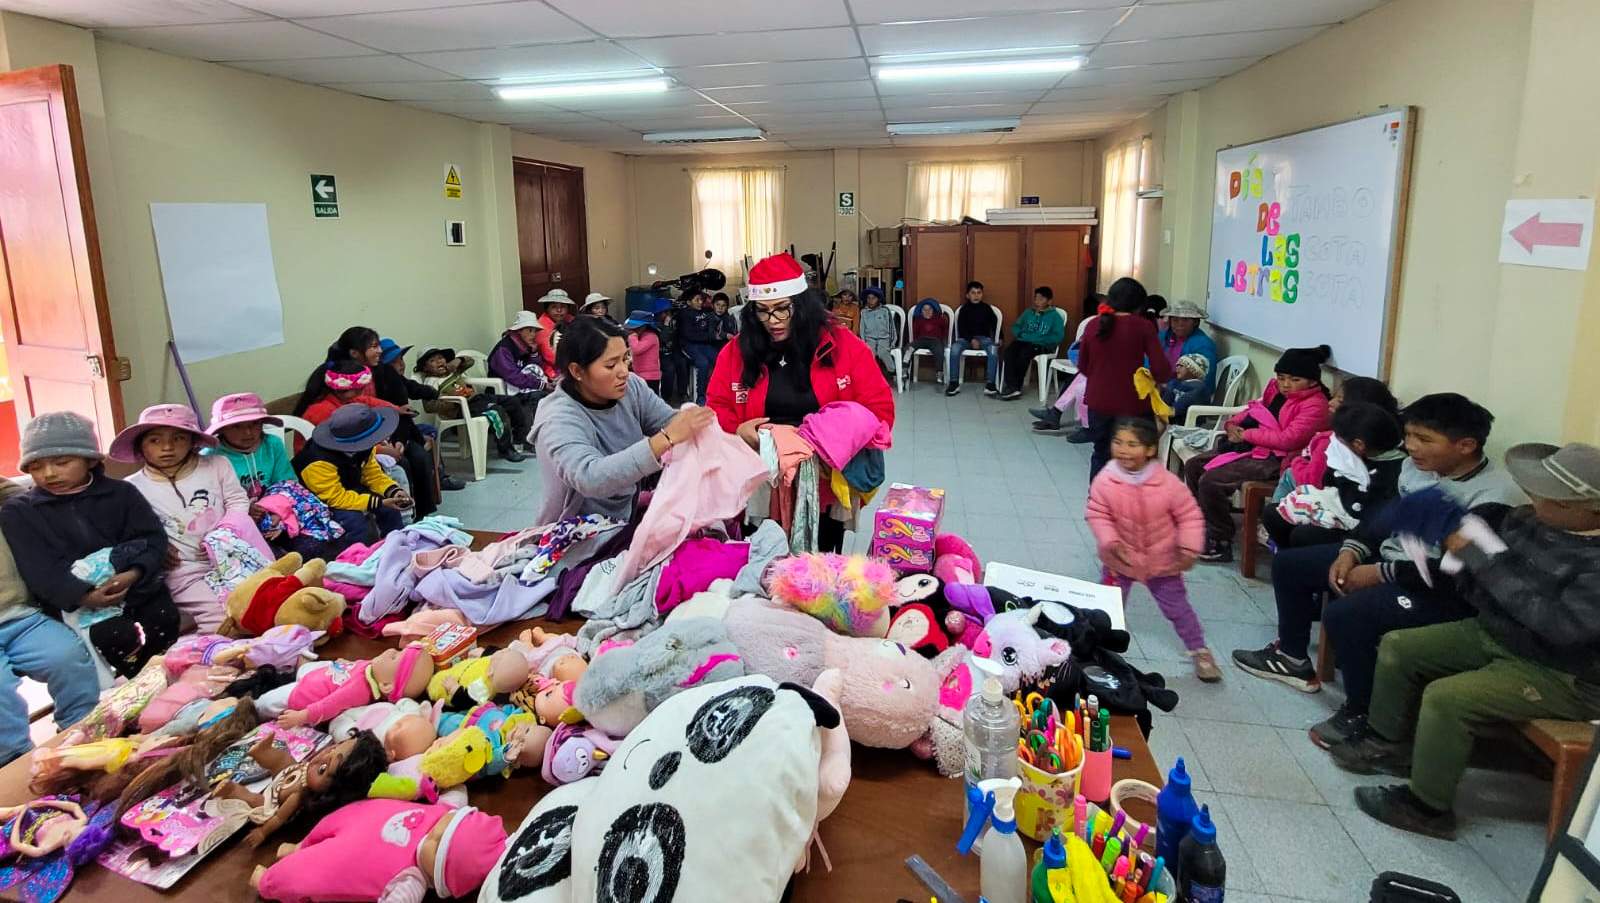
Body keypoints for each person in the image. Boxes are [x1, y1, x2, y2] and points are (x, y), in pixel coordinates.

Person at [1325, 441, 1600, 840]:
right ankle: (1388, 745)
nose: (1534, 499)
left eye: (1549, 499)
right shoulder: (1528, 520)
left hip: (1562, 672)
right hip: (1497, 633)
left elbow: (1560, 627)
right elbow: (1477, 584)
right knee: (1400, 645)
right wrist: (1455, 548)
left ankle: (1426, 808)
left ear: (1586, 511)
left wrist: (1478, 558)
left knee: (1447, 697)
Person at [1232, 393, 1527, 745]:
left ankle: (1363, 712)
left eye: (1424, 439)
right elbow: (1382, 519)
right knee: (1291, 565)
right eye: (1410, 435)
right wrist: (1351, 552)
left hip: (1441, 589)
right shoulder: (1417, 470)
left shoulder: (1494, 497)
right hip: (1395, 562)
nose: (1411, 447)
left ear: (1466, 445)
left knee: (1347, 615)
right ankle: (1293, 658)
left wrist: (1379, 573)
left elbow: (1458, 571)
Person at [706, 253, 894, 553]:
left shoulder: (843, 345)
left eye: (783, 309)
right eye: (762, 312)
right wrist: (737, 431)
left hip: (825, 480)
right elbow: (716, 406)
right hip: (762, 479)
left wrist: (832, 441)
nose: (773, 321)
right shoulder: (736, 352)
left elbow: (879, 409)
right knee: (764, 562)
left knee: (818, 562)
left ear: (802, 306)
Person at [1, 412, 180, 679]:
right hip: (76, 603)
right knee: (115, 637)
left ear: (90, 460)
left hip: (137, 586)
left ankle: (165, 679)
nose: (49, 474)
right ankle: (138, 688)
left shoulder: (122, 494)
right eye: (36, 467)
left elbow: (152, 538)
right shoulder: (20, 513)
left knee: (164, 619)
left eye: (62, 462)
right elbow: (38, 569)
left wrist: (134, 574)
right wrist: (85, 595)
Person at [531, 316, 716, 524]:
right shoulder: (558, 418)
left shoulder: (631, 388)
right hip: (577, 529)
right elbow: (590, 477)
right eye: (611, 365)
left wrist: (709, 429)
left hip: (625, 513)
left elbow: (668, 421)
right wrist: (664, 439)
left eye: (625, 358)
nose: (623, 372)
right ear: (577, 371)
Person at [1085, 419, 1220, 681]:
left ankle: (1199, 650)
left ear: (1149, 450)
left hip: (1163, 561)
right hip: (1119, 560)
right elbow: (1097, 513)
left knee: (1178, 608)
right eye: (1118, 442)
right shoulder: (1106, 479)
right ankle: (1095, 650)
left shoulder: (1167, 483)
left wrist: (1189, 547)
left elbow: (1190, 515)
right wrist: (1111, 542)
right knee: (1107, 608)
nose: (1123, 450)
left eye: (1132, 444)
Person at [116, 404, 268, 632]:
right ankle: (216, 657)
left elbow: (237, 500)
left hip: (235, 555)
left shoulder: (217, 465)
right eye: (155, 440)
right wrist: (155, 546)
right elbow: (129, 531)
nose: (167, 447)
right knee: (222, 618)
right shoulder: (131, 488)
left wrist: (224, 533)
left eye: (178, 438)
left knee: (265, 601)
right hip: (184, 568)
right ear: (140, 446)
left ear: (192, 441)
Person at [1186, 344, 1332, 562]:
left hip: (1280, 458)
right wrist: (1233, 425)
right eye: (1282, 377)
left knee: (1212, 480)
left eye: (1294, 379)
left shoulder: (1315, 405)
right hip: (1255, 446)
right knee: (1194, 465)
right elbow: (1255, 410)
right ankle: (1207, 522)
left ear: (1312, 380)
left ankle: (1220, 540)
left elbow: (1289, 440)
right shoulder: (1275, 390)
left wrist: (1246, 435)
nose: (1286, 385)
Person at [0, 472, 98, 767]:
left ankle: (80, 733)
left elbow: (23, 497)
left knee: (67, 656)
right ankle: (15, 760)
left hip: (19, 614)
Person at [206, 392, 350, 560]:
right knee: (266, 560)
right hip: (238, 525)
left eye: (254, 424)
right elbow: (210, 504)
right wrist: (243, 512)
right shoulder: (211, 457)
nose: (247, 433)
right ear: (222, 429)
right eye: (236, 426)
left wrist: (278, 512)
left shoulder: (272, 444)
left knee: (320, 546)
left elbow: (287, 485)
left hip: (279, 514)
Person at [1260, 401, 1405, 550]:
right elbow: (1327, 483)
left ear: (1359, 445)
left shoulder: (1395, 471)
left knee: (1304, 534)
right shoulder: (1352, 456)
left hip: (1360, 531)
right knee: (1272, 513)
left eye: (1340, 440)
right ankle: (1288, 558)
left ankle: (1300, 562)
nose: (1336, 443)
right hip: (1333, 510)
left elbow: (1372, 516)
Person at [1076, 278, 1172, 478]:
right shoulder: (1143, 326)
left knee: (1101, 454)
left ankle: (1098, 502)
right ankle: (1128, 504)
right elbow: (1161, 369)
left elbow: (1083, 366)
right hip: (1132, 406)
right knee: (1134, 460)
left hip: (1097, 403)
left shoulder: (1093, 324)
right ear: (1139, 304)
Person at [292, 404, 413, 544]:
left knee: (390, 511)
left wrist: (393, 491)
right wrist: (378, 502)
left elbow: (372, 475)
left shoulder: (365, 448)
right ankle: (359, 558)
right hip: (318, 501)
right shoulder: (317, 462)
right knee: (355, 523)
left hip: (348, 487)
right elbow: (335, 498)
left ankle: (396, 545)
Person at [371, 338, 464, 496]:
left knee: (430, 431)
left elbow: (415, 389)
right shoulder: (381, 385)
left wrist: (434, 392)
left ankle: (438, 477)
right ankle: (429, 485)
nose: (401, 364)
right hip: (390, 435)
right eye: (395, 361)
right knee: (419, 448)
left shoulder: (398, 380)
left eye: (401, 359)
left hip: (404, 429)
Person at [413, 348, 527, 463]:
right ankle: (505, 449)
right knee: (496, 411)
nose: (439, 362)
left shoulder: (452, 371)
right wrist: (456, 401)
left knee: (513, 401)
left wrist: (458, 360)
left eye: (440, 358)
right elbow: (429, 407)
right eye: (432, 361)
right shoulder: (431, 382)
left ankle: (519, 438)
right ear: (425, 368)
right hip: (461, 409)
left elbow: (470, 361)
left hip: (476, 399)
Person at [488, 310, 553, 452]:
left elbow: (534, 368)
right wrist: (541, 385)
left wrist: (535, 353)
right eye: (530, 330)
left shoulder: (523, 346)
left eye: (535, 331)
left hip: (521, 387)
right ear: (518, 331)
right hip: (504, 390)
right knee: (537, 397)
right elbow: (513, 376)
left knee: (548, 396)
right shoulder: (504, 348)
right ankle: (528, 439)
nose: (533, 335)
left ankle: (545, 436)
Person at [997, 286, 1066, 401]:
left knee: (1024, 355)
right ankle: (1011, 386)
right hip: (1023, 340)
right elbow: (1016, 327)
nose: (1037, 301)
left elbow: (1058, 336)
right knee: (1009, 352)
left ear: (1049, 301)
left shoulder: (1055, 317)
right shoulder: (1029, 312)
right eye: (1036, 298)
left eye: (1041, 299)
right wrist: (1020, 335)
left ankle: (1015, 387)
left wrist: (1040, 339)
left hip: (1041, 345)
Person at [944, 281, 999, 397]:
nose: (976, 295)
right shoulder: (964, 309)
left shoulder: (987, 308)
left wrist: (1001, 338)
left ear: (982, 294)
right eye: (973, 293)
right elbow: (961, 329)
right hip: (965, 338)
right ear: (967, 295)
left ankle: (991, 384)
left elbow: (995, 325)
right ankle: (954, 383)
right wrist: (971, 340)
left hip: (984, 338)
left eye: (979, 293)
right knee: (954, 349)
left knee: (994, 350)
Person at [680, 290, 722, 405]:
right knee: (703, 363)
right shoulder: (685, 314)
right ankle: (701, 396)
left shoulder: (706, 311)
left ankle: (717, 392)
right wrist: (710, 337)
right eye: (696, 300)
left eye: (701, 300)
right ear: (689, 302)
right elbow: (689, 335)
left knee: (719, 359)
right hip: (690, 345)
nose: (700, 302)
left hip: (705, 344)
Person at [534, 290, 578, 379]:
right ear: (547, 309)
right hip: (552, 371)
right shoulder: (541, 327)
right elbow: (552, 357)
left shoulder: (571, 319)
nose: (559, 310)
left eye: (563, 307)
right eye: (554, 307)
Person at [857, 286, 897, 380]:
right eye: (868, 298)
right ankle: (872, 376)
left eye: (873, 298)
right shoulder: (864, 312)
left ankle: (892, 370)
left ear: (878, 299)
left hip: (884, 338)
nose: (871, 301)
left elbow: (891, 327)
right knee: (870, 353)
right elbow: (862, 328)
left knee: (882, 352)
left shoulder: (885, 310)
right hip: (869, 338)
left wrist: (892, 342)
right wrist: (863, 342)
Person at [1161, 353, 1211, 426]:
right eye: (1177, 365)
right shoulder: (1177, 383)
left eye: (1181, 366)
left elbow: (1175, 410)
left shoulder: (1199, 388)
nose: (1177, 367)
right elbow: (1166, 401)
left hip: (1188, 425)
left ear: (1194, 370)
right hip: (1173, 421)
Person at [907, 297, 948, 382]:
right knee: (909, 348)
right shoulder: (919, 320)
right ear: (921, 311)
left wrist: (942, 340)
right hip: (921, 340)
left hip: (935, 341)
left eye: (930, 309)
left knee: (939, 351)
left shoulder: (939, 319)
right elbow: (915, 332)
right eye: (924, 310)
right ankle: (904, 367)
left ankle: (939, 371)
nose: (927, 312)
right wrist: (915, 343)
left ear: (934, 310)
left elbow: (944, 330)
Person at [656, 307, 690, 405]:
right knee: (669, 369)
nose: (668, 315)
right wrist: (666, 326)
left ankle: (682, 393)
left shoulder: (674, 322)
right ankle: (666, 396)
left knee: (682, 363)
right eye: (665, 312)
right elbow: (663, 339)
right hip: (660, 353)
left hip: (673, 351)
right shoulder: (655, 325)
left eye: (669, 312)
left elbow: (677, 338)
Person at [624, 313, 663, 395]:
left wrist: (632, 336)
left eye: (635, 327)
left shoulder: (651, 336)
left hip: (650, 377)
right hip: (639, 374)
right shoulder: (640, 336)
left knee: (649, 403)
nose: (632, 329)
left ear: (644, 326)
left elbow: (636, 349)